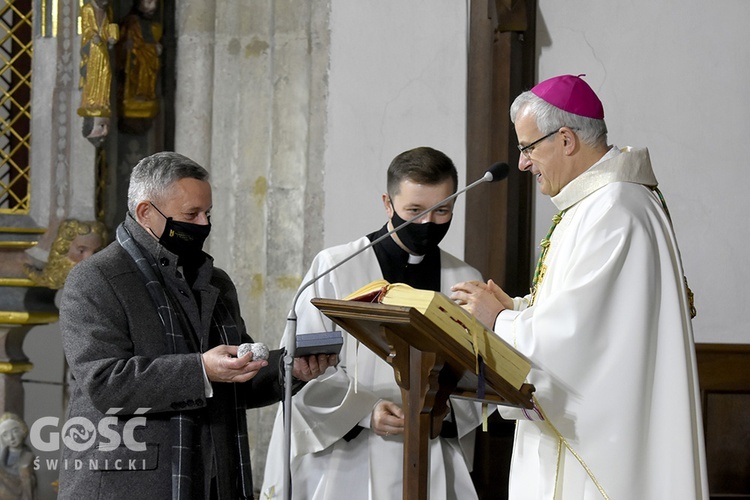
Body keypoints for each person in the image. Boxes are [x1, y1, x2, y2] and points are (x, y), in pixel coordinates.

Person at [450, 74, 708, 499]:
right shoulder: (595, 205)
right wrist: (516, 310)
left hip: (605, 449)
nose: (523, 163)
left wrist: (501, 321)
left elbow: (580, 340)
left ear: (566, 139)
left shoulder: (615, 210)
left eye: (528, 148)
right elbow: (589, 318)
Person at [58, 152, 336, 499]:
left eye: (208, 213)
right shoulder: (96, 278)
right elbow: (105, 384)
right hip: (130, 483)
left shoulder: (215, 282)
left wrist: (289, 369)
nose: (203, 224)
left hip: (214, 478)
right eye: (191, 214)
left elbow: (237, 378)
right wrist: (201, 369)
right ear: (146, 213)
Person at [261, 147, 487, 500]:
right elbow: (305, 365)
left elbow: (479, 375)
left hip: (430, 455)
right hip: (348, 455)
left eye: (441, 211)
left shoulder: (464, 279)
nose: (428, 224)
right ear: (388, 203)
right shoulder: (336, 267)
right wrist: (364, 412)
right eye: (415, 211)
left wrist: (442, 413)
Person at [77, 0, 118, 119]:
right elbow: (86, 27)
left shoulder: (107, 11)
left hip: (103, 47)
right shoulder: (87, 9)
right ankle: (90, 102)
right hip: (92, 47)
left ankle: (102, 102)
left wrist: (110, 38)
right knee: (92, 74)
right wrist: (93, 35)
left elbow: (106, 28)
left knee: (106, 73)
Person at [0, 413, 36, 500]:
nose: (11, 437)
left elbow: (25, 482)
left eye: (15, 431)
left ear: (23, 430)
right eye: (5, 435)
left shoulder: (27, 456)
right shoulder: (3, 456)